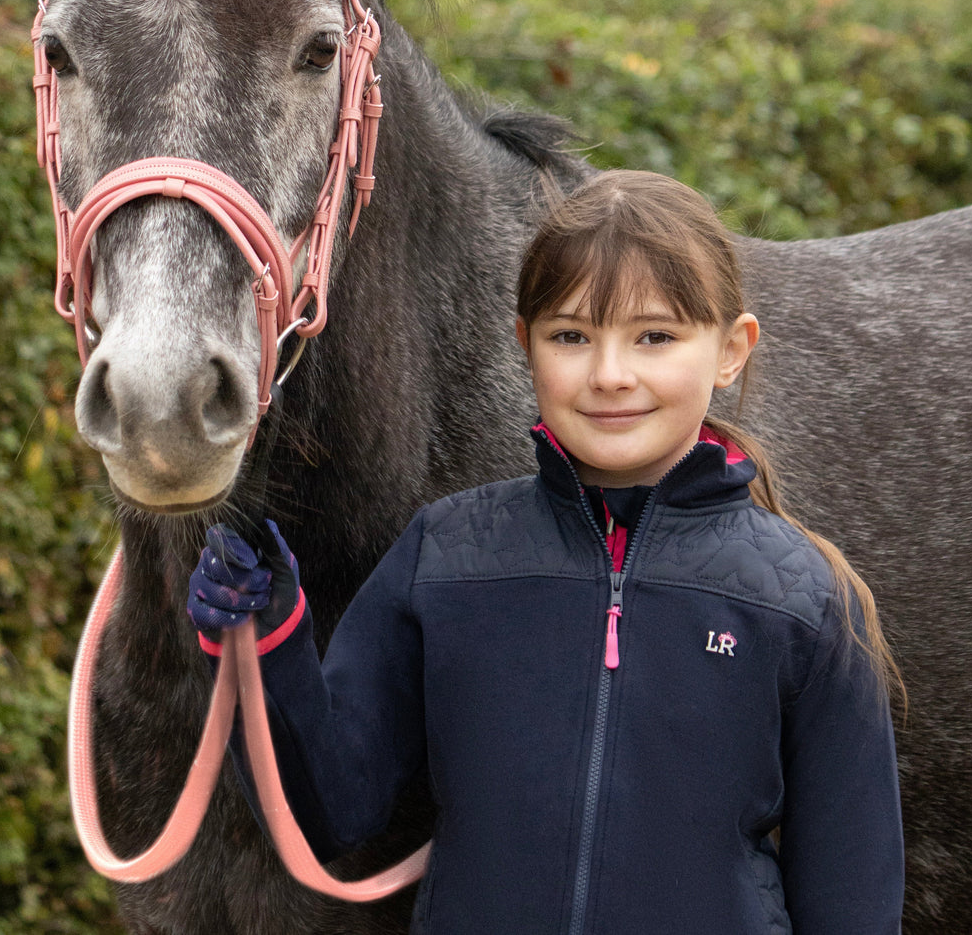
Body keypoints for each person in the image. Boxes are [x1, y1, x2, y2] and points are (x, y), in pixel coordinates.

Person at [188, 169, 905, 934]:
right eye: (571, 336)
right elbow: (330, 810)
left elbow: (852, 898)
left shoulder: (802, 596)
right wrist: (262, 641)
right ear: (525, 346)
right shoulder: (446, 555)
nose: (610, 375)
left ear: (732, 350)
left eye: (655, 336)